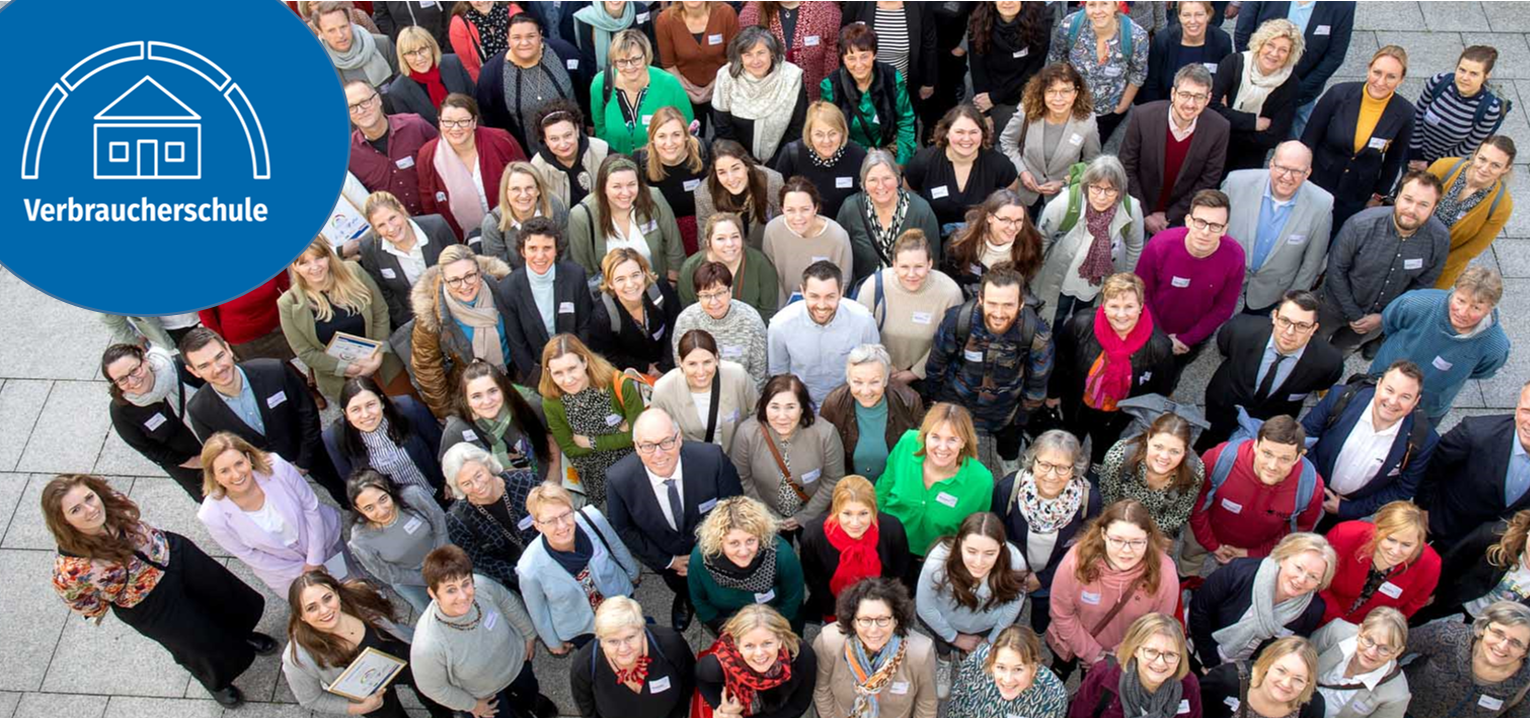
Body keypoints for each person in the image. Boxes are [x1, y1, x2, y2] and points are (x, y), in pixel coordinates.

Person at [45, 474, 273, 709]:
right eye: (76, 510)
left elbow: (134, 514)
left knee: (224, 599)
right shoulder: (70, 570)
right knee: (196, 642)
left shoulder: (110, 502)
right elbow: (83, 603)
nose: (91, 509)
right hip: (146, 601)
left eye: (89, 498)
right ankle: (216, 681)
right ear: (63, 521)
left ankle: (243, 633)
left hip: (172, 556)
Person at [605, 407, 745, 631]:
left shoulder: (712, 460)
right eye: (648, 445)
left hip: (717, 550)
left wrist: (708, 555)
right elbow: (624, 528)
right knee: (683, 584)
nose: (658, 454)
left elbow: (734, 508)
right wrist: (668, 561)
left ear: (679, 439)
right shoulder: (618, 479)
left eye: (666, 442)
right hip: (670, 560)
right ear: (636, 447)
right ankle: (688, 598)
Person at [181, 327, 347, 505]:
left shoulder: (274, 371)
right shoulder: (199, 410)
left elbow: (307, 414)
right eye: (204, 365)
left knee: (340, 489)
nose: (218, 368)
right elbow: (221, 454)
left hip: (310, 452)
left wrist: (303, 462)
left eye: (219, 356)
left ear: (229, 349)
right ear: (193, 371)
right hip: (262, 475)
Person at [924, 262, 1052, 472]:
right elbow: (936, 365)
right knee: (950, 460)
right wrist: (939, 403)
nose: (999, 313)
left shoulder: (1036, 334)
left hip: (1005, 414)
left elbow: (1037, 386)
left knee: (1009, 457)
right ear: (980, 299)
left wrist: (1019, 419)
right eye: (992, 303)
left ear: (1021, 303)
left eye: (1008, 305)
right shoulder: (958, 320)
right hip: (958, 405)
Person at [411, 545, 557, 718]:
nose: (463, 596)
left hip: (517, 662)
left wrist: (529, 635)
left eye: (466, 584)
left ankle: (530, 702)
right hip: (484, 694)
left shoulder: (482, 586)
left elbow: (507, 602)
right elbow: (432, 687)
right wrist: (472, 706)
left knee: (529, 688)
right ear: (433, 593)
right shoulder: (428, 644)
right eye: (451, 590)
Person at [282, 571, 454, 717]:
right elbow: (311, 699)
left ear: (337, 593)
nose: (325, 610)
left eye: (327, 598)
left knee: (434, 697)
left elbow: (393, 623)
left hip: (402, 658)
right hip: (367, 693)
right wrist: (359, 708)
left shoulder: (360, 598)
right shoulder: (298, 658)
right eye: (312, 608)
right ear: (301, 616)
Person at [196, 432, 348, 596]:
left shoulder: (277, 467)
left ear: (248, 458)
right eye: (224, 471)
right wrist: (304, 571)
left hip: (323, 543)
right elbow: (247, 554)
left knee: (353, 590)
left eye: (239, 463)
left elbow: (310, 508)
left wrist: (314, 560)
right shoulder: (211, 515)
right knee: (323, 613)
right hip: (286, 574)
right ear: (214, 476)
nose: (236, 475)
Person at [1047, 272, 1176, 465]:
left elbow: (1161, 390)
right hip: (1076, 406)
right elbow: (1061, 361)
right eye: (1114, 306)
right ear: (1104, 305)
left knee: (1103, 453)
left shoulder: (1159, 347)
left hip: (1117, 416)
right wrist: (1053, 394)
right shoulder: (1081, 324)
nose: (1121, 315)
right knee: (1069, 447)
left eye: (1129, 307)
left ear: (1141, 306)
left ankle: (1097, 476)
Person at [1316, 172, 1450, 355]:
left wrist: (1383, 318)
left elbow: (1422, 286)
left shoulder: (1439, 239)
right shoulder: (1360, 225)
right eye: (1408, 199)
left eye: (1423, 204)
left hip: (1376, 321)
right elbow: (1336, 270)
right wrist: (1356, 314)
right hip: (1333, 307)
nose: (1412, 209)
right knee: (1312, 345)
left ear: (1434, 209)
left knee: (1340, 354)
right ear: (1397, 198)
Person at [1046, 498, 1180, 681]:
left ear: (1148, 538)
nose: (1126, 550)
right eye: (1117, 540)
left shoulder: (1165, 573)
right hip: (1070, 643)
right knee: (1058, 675)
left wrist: (1113, 657)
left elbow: (1155, 629)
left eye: (1136, 542)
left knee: (1093, 695)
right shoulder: (1076, 560)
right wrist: (1094, 654)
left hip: (1120, 657)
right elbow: (1061, 613)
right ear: (1103, 534)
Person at [1200, 290, 1344, 450]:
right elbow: (1225, 347)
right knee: (1210, 441)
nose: (1289, 332)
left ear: (1313, 328)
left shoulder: (1328, 361)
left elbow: (1322, 382)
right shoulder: (1240, 330)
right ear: (1274, 316)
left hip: (1272, 419)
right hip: (1225, 403)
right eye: (1284, 321)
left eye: (1301, 326)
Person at [1182, 416, 1325, 577]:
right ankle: (1185, 582)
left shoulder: (1310, 487)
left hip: (1256, 552)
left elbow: (1295, 533)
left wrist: (1251, 554)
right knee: (1188, 563)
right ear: (1255, 445)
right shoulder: (1219, 458)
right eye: (1267, 453)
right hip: (1203, 532)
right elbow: (1195, 503)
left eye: (1284, 459)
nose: (1272, 466)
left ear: (1299, 456)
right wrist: (1212, 544)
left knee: (1232, 581)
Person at [993, 430, 1103, 636]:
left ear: (1075, 468)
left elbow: (1084, 548)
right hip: (1012, 569)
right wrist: (1012, 569)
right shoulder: (1008, 489)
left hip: (1053, 576)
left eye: (1062, 468)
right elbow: (997, 533)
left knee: (1041, 615)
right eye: (1044, 465)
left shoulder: (1090, 500)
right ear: (1032, 461)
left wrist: (1042, 579)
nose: (1052, 476)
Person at [1370, 268, 1512, 425]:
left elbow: (1481, 371)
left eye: (1476, 307)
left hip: (1429, 405)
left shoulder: (1495, 346)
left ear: (1489, 309)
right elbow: (1390, 322)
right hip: (1380, 381)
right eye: (1460, 300)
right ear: (1454, 292)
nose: (1463, 312)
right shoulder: (1417, 303)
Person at [1302, 362, 1436, 526]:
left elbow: (1402, 489)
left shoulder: (1424, 439)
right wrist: (1316, 483)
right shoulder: (1340, 397)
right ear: (1378, 385)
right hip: (1310, 482)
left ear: (1416, 401)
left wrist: (1348, 509)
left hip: (1349, 506)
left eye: (1405, 397)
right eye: (1389, 390)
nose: (1393, 401)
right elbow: (1306, 436)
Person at [1302, 47, 1416, 236]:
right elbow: (1310, 138)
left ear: (1401, 79)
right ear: (1368, 69)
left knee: (1335, 238)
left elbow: (1393, 159)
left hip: (1355, 192)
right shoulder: (1338, 94)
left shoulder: (1405, 113)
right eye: (1377, 72)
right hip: (1318, 180)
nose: (1381, 82)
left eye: (1391, 76)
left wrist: (1379, 196)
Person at [1135, 189, 1244, 384]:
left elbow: (1224, 308)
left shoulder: (1234, 256)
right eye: (1200, 222)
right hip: (1150, 328)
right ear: (1188, 220)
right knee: (1135, 372)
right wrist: (1162, 337)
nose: (1205, 231)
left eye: (1215, 226)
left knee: (1169, 378)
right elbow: (1141, 292)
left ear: (1225, 229)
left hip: (1190, 341)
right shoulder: (1160, 245)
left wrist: (1186, 339)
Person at [516, 483, 640, 653]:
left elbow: (616, 546)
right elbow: (538, 610)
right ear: (537, 525)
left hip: (618, 602)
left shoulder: (592, 518)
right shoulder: (529, 568)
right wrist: (552, 642)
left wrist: (633, 573)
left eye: (566, 514)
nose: (562, 526)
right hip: (583, 628)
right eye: (550, 521)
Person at [278, 237, 404, 401]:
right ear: (294, 267)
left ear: (328, 256)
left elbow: (380, 312)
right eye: (305, 263)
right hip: (342, 380)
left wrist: (378, 353)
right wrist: (347, 368)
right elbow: (305, 352)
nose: (315, 267)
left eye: (319, 258)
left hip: (384, 364)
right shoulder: (288, 303)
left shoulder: (353, 271)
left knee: (409, 409)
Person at [917, 513, 1029, 693]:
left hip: (986, 623)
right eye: (971, 551)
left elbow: (1013, 606)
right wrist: (954, 637)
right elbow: (925, 607)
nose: (979, 562)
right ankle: (944, 662)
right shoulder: (938, 562)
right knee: (943, 644)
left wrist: (992, 640)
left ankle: (968, 664)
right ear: (960, 542)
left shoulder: (1015, 562)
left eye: (989, 554)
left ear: (1001, 547)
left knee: (973, 652)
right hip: (946, 619)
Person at [1414, 380, 1530, 553]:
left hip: (1496, 550)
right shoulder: (1475, 432)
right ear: (1516, 409)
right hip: (1445, 529)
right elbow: (1433, 466)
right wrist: (1422, 507)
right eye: (1527, 411)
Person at [1190, 533, 1335, 669]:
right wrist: (1211, 663)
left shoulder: (1313, 609)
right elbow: (1200, 610)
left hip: (1244, 672)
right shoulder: (1239, 571)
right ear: (1283, 558)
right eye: (1298, 568)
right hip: (1202, 649)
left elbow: (1285, 651)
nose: (1302, 580)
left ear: (1320, 583)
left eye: (1313, 576)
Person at [1219, 142, 1334, 315]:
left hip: (1271, 297)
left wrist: (1291, 302)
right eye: (1282, 168)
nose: (1287, 177)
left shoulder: (1322, 204)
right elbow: (1215, 230)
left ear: (1308, 173)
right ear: (1271, 164)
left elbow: (1311, 263)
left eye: (1296, 171)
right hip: (1222, 283)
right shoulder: (1236, 183)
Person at [876, 402, 994, 568]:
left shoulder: (981, 480)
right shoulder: (907, 443)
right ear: (924, 436)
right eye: (935, 437)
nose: (942, 447)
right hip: (888, 544)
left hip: (939, 558)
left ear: (964, 442)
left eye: (952, 439)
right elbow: (882, 490)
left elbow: (975, 529)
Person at [1033, 154, 1145, 329]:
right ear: (1087, 186)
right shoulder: (1065, 203)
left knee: (1085, 323)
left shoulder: (1132, 208)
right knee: (1053, 319)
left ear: (1120, 191)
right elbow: (1042, 239)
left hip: (1099, 283)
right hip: (1062, 278)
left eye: (1110, 190)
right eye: (1095, 188)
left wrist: (1122, 280)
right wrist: (1034, 274)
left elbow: (1135, 245)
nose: (1101, 196)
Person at [1120, 65, 1231, 235]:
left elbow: (1209, 179)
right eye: (1185, 95)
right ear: (1173, 93)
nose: (1190, 104)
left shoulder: (1219, 128)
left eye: (1198, 97)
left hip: (1180, 216)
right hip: (1138, 206)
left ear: (1208, 99)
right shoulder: (1143, 116)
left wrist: (1170, 216)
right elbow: (1126, 167)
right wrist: (1145, 213)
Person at [409, 243, 515, 419]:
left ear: (479, 272)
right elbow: (426, 368)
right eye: (455, 280)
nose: (464, 285)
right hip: (476, 396)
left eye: (470, 276)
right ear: (444, 280)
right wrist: (448, 413)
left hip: (514, 376)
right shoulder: (431, 314)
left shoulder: (502, 290)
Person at [539, 333, 644, 506]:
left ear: (585, 362)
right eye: (558, 373)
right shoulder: (551, 401)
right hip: (595, 485)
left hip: (633, 471)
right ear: (549, 372)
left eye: (572, 368)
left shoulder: (617, 384)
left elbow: (638, 436)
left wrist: (591, 442)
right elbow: (570, 449)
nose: (567, 379)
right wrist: (618, 437)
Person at [731, 374, 844, 533]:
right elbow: (742, 479)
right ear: (764, 407)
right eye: (775, 407)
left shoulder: (825, 433)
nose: (782, 416)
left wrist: (805, 516)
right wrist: (768, 515)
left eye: (790, 407)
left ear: (802, 408)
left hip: (814, 513)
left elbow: (833, 479)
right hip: (763, 515)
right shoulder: (747, 433)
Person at [813, 577, 939, 718]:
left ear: (896, 620)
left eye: (882, 619)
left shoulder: (920, 652)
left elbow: (926, 703)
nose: (874, 630)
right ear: (853, 621)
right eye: (865, 620)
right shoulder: (829, 642)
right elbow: (821, 690)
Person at [854, 230, 962, 388]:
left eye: (919, 266)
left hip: (928, 379)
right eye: (904, 266)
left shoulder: (950, 293)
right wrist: (885, 365)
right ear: (894, 264)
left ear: (930, 264)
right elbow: (859, 333)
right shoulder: (875, 286)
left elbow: (949, 342)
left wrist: (915, 373)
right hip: (879, 374)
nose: (911, 274)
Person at [1232, 2, 1356, 137]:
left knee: (1294, 149)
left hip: (1302, 96)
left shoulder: (1343, 5)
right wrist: (1257, 75)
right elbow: (1243, 35)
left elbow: (1334, 56)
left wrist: (1296, 90)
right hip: (1254, 87)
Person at [416, 93, 528, 241]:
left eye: (463, 121)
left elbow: (527, 178)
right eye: (448, 122)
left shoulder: (501, 140)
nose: (455, 128)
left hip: (515, 230)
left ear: (474, 122)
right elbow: (429, 204)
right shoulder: (428, 155)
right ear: (439, 122)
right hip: (465, 240)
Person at [474, 12, 588, 156]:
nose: (524, 43)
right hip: (530, 155)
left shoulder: (565, 53)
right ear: (507, 39)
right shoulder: (491, 75)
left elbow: (583, 90)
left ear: (540, 35)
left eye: (531, 36)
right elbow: (491, 119)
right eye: (517, 38)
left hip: (576, 145)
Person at [101, 343, 205, 501]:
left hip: (225, 441)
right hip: (189, 465)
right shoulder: (122, 412)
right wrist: (194, 462)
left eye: (135, 370)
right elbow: (149, 449)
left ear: (145, 360)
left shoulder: (179, 368)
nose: (133, 381)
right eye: (122, 379)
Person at [767, 261, 880, 406]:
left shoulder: (863, 321)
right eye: (814, 296)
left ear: (841, 292)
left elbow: (874, 367)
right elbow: (779, 375)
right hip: (802, 403)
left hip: (850, 402)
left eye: (830, 296)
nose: (821, 305)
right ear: (802, 291)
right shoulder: (780, 325)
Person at [498, 217, 595, 385]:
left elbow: (584, 326)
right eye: (533, 248)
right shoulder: (508, 289)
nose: (540, 256)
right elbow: (517, 346)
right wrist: (545, 381)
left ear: (557, 249)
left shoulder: (575, 276)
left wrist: (576, 369)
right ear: (522, 251)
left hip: (579, 366)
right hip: (538, 375)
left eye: (547, 248)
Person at [687, 495, 806, 634]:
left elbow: (793, 598)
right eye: (734, 543)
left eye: (750, 541)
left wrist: (771, 631)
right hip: (729, 628)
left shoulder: (780, 552)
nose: (744, 552)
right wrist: (728, 631)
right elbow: (700, 602)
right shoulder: (701, 558)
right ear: (719, 541)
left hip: (779, 625)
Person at [798, 477, 911, 620]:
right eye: (847, 513)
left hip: (881, 608)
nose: (855, 523)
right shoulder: (814, 534)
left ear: (873, 509)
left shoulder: (892, 529)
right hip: (835, 610)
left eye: (863, 513)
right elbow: (815, 580)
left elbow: (900, 574)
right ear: (836, 510)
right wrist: (832, 611)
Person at [570, 596, 698, 718]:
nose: (623, 649)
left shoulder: (670, 644)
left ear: (642, 630)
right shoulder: (584, 666)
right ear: (601, 640)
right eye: (613, 641)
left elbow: (690, 679)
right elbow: (587, 709)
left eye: (630, 637)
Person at [1001, 63, 1103, 216]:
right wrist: (1022, 172)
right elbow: (1007, 141)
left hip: (1062, 196)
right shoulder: (1027, 111)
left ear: (1076, 93)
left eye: (1065, 91)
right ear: (1042, 92)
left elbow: (1091, 162)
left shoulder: (1087, 122)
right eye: (1051, 91)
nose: (1058, 98)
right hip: (1025, 191)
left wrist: (1064, 182)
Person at [905, 105, 1019, 241]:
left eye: (973, 132)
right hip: (932, 240)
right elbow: (908, 198)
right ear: (946, 132)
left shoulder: (998, 164)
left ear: (983, 133)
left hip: (980, 240)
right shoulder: (923, 162)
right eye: (959, 132)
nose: (966, 139)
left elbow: (1011, 197)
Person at [567, 154, 686, 284]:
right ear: (603, 187)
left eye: (631, 184)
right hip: (612, 296)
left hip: (657, 286)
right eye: (617, 186)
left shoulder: (654, 198)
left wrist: (672, 283)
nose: (626, 192)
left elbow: (674, 247)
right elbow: (583, 269)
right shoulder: (581, 215)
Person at [1319, 501, 1439, 627]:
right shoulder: (1344, 535)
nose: (1396, 551)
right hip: (1323, 613)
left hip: (1366, 631)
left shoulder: (1429, 565)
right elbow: (1319, 581)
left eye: (1406, 545)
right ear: (1377, 529)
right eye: (1391, 540)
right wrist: (1338, 622)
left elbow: (1410, 606)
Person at [440, 441, 540, 589]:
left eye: (478, 475)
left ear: (487, 465)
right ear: (457, 487)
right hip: (518, 580)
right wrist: (521, 575)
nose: (477, 486)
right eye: (466, 484)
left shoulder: (526, 482)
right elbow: (481, 560)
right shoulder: (457, 520)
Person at [324, 376, 444, 501]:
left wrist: (447, 481)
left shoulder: (410, 409)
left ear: (381, 402)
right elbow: (352, 481)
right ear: (346, 414)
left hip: (433, 491)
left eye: (370, 405)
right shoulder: (334, 438)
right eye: (355, 410)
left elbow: (439, 446)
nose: (365, 415)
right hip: (393, 508)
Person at [1402, 602, 1530, 718]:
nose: (1502, 646)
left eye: (1516, 643)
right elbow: (1397, 645)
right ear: (1483, 629)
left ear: (1526, 651)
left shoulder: (1525, 679)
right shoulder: (1450, 636)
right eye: (1497, 633)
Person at [1047, 1, 1150, 145]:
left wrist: (1122, 107)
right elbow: (1055, 60)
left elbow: (1138, 73)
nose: (1097, 11)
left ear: (1116, 6)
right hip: (1071, 107)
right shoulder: (1070, 25)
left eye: (1104, 3)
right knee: (1067, 150)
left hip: (1108, 112)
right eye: (1092, 4)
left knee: (1094, 152)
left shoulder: (1135, 36)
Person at [1209, 19, 1303, 176]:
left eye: (1283, 50)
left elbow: (1273, 137)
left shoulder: (1291, 85)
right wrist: (1253, 123)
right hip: (1215, 149)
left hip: (1251, 159)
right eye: (1270, 45)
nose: (1274, 54)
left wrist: (1227, 118)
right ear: (1260, 44)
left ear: (1290, 55)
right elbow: (1211, 108)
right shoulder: (1234, 63)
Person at [345, 470, 448, 612]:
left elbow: (440, 523)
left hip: (444, 556)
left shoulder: (414, 496)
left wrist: (443, 560)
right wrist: (428, 578)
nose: (381, 511)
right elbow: (386, 573)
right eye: (369, 508)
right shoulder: (359, 540)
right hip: (411, 581)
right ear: (358, 509)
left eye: (383, 499)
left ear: (387, 489)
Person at [819, 344, 925, 480]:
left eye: (874, 382)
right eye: (857, 382)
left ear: (886, 380)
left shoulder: (908, 401)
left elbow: (918, 451)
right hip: (850, 489)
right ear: (848, 379)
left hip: (894, 489)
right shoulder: (834, 403)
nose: (865, 391)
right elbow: (824, 454)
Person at [1067, 613, 1203, 718]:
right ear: (1135, 650)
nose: (1160, 662)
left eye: (1170, 655)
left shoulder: (1188, 684)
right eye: (1151, 651)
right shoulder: (1103, 675)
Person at [442, 359, 556, 483]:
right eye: (476, 396)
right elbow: (453, 477)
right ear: (466, 400)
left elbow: (552, 437)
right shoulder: (456, 432)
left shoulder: (527, 403)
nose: (487, 401)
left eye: (493, 391)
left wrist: (553, 480)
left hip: (546, 480)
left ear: (503, 389)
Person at [696, 603, 818, 718]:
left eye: (767, 643)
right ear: (738, 645)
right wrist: (723, 708)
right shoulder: (717, 665)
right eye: (749, 645)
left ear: (780, 640)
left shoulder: (801, 655)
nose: (759, 654)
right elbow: (701, 680)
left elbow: (798, 704)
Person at [358, 190, 459, 328]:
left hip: (457, 305)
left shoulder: (436, 226)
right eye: (381, 225)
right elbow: (385, 294)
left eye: (392, 218)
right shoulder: (370, 249)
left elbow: (461, 263)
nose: (391, 228)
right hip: (416, 321)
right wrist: (411, 325)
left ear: (402, 210)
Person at [1427, 136, 1517, 289]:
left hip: (1443, 267)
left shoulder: (1502, 205)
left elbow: (1472, 248)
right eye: (1482, 159)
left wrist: (1434, 264)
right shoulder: (1444, 167)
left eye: (1495, 165)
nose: (1484, 168)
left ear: (1506, 169)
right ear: (1475, 153)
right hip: (1408, 244)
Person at [1098, 413, 1205, 541]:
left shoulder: (1195, 472)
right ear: (1148, 439)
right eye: (1158, 447)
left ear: (1185, 451)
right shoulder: (1119, 457)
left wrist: (1146, 533)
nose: (1164, 457)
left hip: (1157, 534)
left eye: (1174, 451)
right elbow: (1109, 502)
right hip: (1119, 524)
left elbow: (1178, 515)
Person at [839, 149, 942, 283]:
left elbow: (933, 261)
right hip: (865, 294)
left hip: (910, 290)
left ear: (897, 178)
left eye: (887, 178)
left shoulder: (921, 210)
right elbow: (841, 257)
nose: (880, 186)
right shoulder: (851, 208)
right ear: (863, 183)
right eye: (873, 180)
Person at [817, 24, 915, 165]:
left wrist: (901, 162)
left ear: (874, 54)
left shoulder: (892, 77)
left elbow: (905, 121)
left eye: (864, 57)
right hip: (849, 156)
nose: (858, 65)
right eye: (851, 58)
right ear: (842, 59)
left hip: (890, 154)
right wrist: (862, 152)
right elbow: (831, 130)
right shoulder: (831, 86)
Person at [712, 26, 807, 168]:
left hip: (782, 161)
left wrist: (775, 164)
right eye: (748, 55)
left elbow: (797, 128)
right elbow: (723, 129)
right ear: (740, 57)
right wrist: (748, 164)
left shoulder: (791, 77)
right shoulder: (726, 77)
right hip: (737, 163)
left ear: (772, 53)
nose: (755, 61)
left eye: (761, 53)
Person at [651, 329, 759, 454]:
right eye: (692, 364)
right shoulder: (664, 389)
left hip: (738, 458)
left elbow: (757, 414)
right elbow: (659, 434)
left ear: (717, 358)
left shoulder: (737, 375)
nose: (701, 372)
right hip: (695, 461)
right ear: (680, 362)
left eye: (707, 362)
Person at [1417, 510, 1530, 625]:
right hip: (1453, 603)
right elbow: (1453, 561)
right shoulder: (1496, 536)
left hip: (1493, 629)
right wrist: (1430, 591)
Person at [590, 30, 692, 156]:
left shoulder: (669, 84)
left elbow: (687, 127)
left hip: (659, 164)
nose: (629, 67)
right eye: (621, 61)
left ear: (646, 56)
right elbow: (600, 128)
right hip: (619, 165)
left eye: (635, 59)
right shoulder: (601, 84)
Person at [346, 79, 438, 215]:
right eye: (352, 107)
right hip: (398, 230)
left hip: (441, 215)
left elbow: (447, 157)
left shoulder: (415, 126)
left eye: (365, 102)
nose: (361, 111)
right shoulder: (349, 156)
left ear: (378, 99)